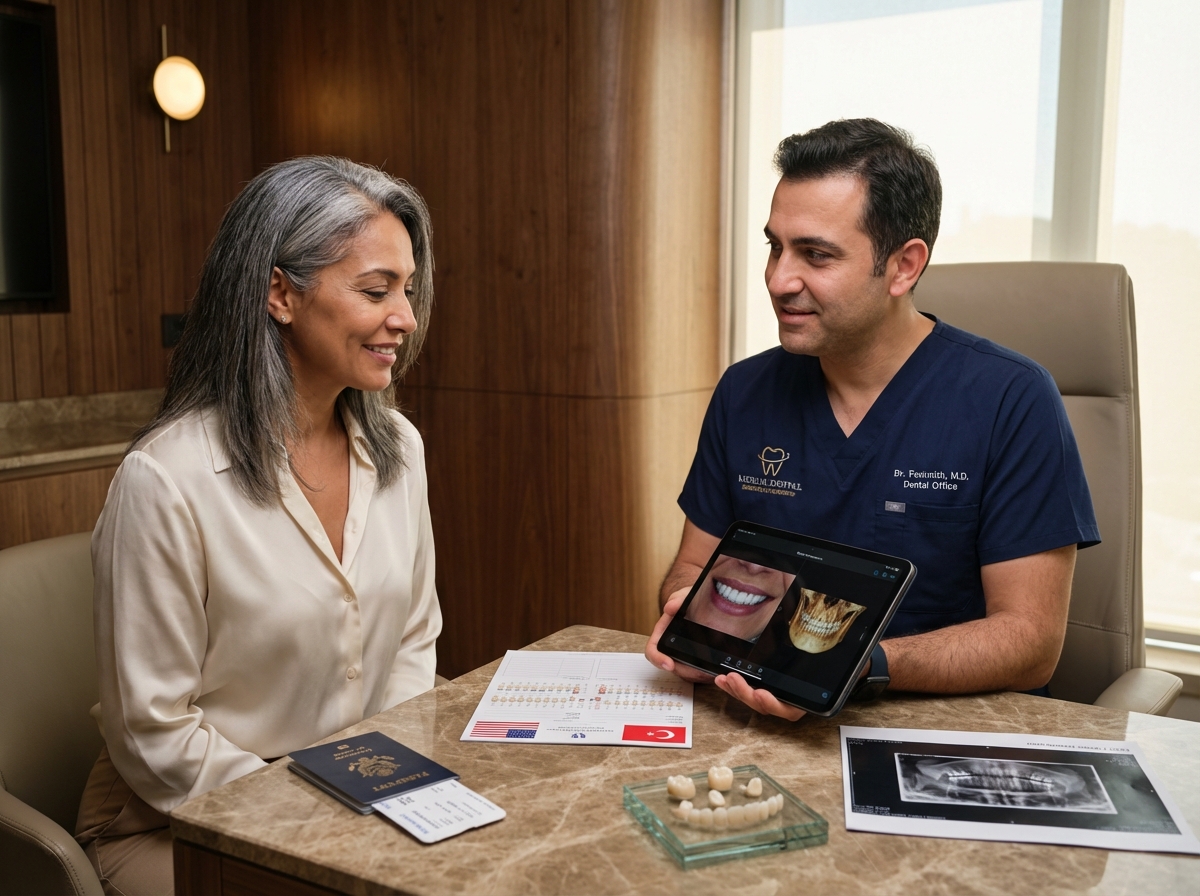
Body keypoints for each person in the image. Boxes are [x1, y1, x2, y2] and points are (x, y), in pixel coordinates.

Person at [646, 119, 1099, 721]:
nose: (780, 279)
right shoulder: (745, 390)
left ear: (904, 266)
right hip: (754, 715)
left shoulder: (1011, 398)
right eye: (774, 246)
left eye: (815, 254)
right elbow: (690, 566)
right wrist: (692, 613)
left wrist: (853, 666)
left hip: (941, 732)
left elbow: (1031, 643)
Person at [75, 157, 442, 895]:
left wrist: (382, 788)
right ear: (280, 293)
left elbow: (413, 640)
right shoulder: (167, 478)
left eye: (407, 289)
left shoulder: (398, 446)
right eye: (376, 290)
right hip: (174, 822)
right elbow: (156, 734)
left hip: (349, 802)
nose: (404, 316)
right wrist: (319, 810)